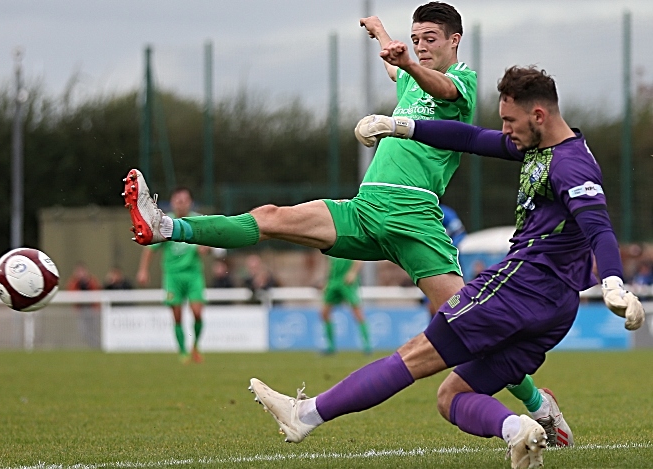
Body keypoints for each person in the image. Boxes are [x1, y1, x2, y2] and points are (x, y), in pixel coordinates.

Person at [122, 2, 564, 444]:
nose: (421, 47)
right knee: (273, 217)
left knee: (476, 326)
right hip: (366, 208)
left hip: (414, 218)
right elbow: (402, 69)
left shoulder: (460, 81)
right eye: (416, 39)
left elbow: (442, 88)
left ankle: (538, 406)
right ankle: (167, 227)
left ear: (454, 41)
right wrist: (381, 35)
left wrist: (406, 59)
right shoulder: (410, 73)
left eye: (431, 38)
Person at [248, 66, 646, 468]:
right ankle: (520, 431)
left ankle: (306, 415)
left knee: (412, 356)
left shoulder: (571, 165)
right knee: (451, 397)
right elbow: (471, 138)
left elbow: (599, 227)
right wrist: (400, 126)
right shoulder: (538, 146)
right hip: (555, 308)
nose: (505, 129)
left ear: (538, 115)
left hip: (518, 287)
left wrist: (613, 282)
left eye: (509, 120)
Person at [136, 187, 209, 364]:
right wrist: (143, 270)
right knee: (177, 315)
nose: (181, 203)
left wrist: (205, 248)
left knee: (198, 313)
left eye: (184, 200)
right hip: (173, 275)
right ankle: (183, 351)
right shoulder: (163, 222)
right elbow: (151, 249)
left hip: (193, 275)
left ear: (190, 202)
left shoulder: (198, 220)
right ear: (172, 202)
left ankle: (196, 346)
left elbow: (207, 244)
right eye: (178, 200)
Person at [320, 258, 371, 355]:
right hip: (334, 281)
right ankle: (330, 346)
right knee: (324, 313)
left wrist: (353, 272)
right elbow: (330, 264)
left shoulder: (347, 244)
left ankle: (367, 345)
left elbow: (359, 258)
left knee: (357, 312)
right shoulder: (329, 249)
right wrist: (327, 280)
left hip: (347, 281)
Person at [66, 262, 101, 348]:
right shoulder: (74, 283)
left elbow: (97, 293)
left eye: (81, 271)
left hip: (92, 310)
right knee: (83, 331)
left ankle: (98, 346)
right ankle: (93, 346)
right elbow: (71, 293)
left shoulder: (92, 281)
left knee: (94, 329)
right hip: (81, 310)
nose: (80, 274)